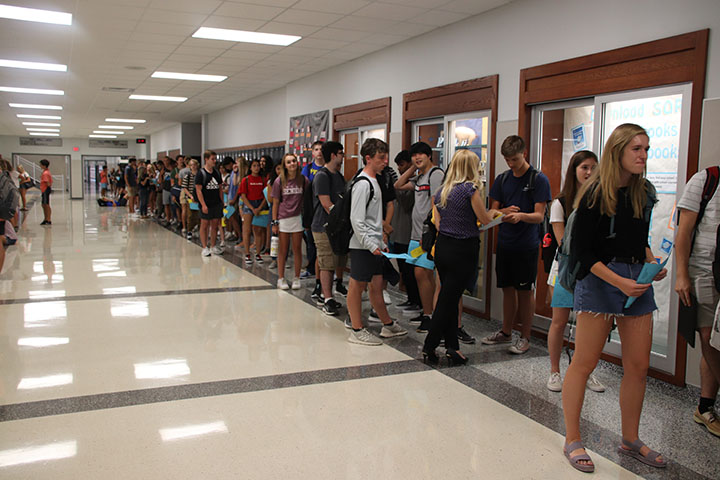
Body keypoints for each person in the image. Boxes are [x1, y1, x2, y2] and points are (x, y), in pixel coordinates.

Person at [562, 123, 668, 473]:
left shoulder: (645, 192)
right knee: (585, 361)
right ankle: (573, 438)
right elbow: (583, 253)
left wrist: (651, 262)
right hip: (599, 281)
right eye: (637, 149)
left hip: (635, 280)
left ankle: (630, 438)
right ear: (618, 151)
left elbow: (639, 240)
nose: (643, 155)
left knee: (637, 366)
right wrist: (620, 282)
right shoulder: (594, 194)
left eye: (647, 149)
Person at [422, 149, 499, 364]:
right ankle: (429, 344)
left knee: (450, 297)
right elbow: (484, 220)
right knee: (448, 301)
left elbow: (438, 223)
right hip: (462, 250)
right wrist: (495, 214)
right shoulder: (470, 190)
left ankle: (452, 348)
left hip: (444, 248)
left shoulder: (441, 192)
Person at [482, 135, 551, 354]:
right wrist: (503, 213)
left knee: (524, 291)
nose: (511, 164)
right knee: (507, 289)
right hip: (505, 243)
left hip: (527, 245)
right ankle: (506, 331)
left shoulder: (538, 180)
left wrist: (521, 216)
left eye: (515, 159)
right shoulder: (502, 179)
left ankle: (526, 336)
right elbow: (492, 212)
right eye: (508, 160)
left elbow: (539, 216)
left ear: (524, 153)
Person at [545, 150, 605, 393]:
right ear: (574, 171)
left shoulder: (601, 200)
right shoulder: (560, 203)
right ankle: (554, 371)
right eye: (584, 168)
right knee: (559, 322)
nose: (589, 173)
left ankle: (585, 370)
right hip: (565, 269)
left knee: (588, 324)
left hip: (593, 270)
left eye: (593, 167)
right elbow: (563, 243)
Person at [347, 138, 407, 345]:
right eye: (381, 157)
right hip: (363, 246)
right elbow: (357, 219)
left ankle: (387, 324)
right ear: (368, 158)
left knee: (377, 285)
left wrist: (380, 239)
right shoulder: (363, 183)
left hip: (373, 244)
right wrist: (371, 245)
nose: (386, 161)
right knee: (357, 285)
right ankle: (356, 329)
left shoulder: (375, 181)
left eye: (386, 156)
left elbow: (373, 218)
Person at [676, 165, 720, 437]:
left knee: (714, 342)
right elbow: (684, 232)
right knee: (708, 337)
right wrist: (682, 275)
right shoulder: (707, 180)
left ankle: (705, 407)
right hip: (703, 270)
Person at [394, 141, 445, 332]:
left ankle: (430, 315)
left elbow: (436, 205)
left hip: (427, 235)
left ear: (429, 155)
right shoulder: (420, 177)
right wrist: (413, 169)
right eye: (414, 156)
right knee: (420, 275)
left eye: (420, 155)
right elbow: (398, 185)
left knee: (422, 273)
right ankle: (427, 312)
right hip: (416, 235)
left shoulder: (435, 174)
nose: (417, 158)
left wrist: (431, 232)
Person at [311, 141, 346, 316]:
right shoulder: (322, 176)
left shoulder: (339, 176)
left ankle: (331, 294)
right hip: (323, 226)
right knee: (326, 263)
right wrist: (342, 217)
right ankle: (327, 298)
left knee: (335, 262)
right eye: (341, 153)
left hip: (337, 227)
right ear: (333, 155)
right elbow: (326, 204)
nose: (343, 156)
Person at [390, 150, 422, 313]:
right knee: (404, 270)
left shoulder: (414, 183)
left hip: (409, 233)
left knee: (411, 271)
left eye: (402, 165)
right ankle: (411, 298)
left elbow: (404, 201)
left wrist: (408, 174)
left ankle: (417, 301)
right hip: (399, 232)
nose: (399, 169)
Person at [271, 153, 308, 290]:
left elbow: (306, 200)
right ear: (284, 165)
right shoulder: (279, 181)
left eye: (293, 161)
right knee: (283, 250)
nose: (292, 164)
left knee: (297, 249)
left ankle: (296, 277)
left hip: (297, 218)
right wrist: (274, 222)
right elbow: (275, 203)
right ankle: (281, 278)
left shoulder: (303, 180)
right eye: (288, 162)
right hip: (283, 218)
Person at [301, 141, 324, 282]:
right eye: (316, 149)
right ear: (313, 152)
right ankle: (310, 268)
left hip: (324, 210)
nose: (319, 152)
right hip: (311, 210)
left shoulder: (328, 168)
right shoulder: (308, 169)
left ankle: (325, 270)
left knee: (324, 244)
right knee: (311, 241)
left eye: (321, 149)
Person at [239, 158, 268, 265]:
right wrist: (251, 208)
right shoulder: (245, 180)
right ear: (250, 168)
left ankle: (258, 253)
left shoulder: (263, 180)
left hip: (260, 205)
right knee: (246, 230)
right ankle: (247, 253)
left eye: (258, 166)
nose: (256, 168)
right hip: (249, 205)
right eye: (254, 166)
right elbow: (243, 195)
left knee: (258, 230)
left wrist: (259, 207)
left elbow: (266, 195)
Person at [195, 150, 224, 257]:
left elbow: (220, 187)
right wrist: (203, 204)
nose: (214, 161)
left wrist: (221, 201)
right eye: (212, 159)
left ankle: (212, 245)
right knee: (204, 225)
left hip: (216, 203)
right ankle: (204, 247)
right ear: (206, 159)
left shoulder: (216, 173)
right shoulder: (201, 173)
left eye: (215, 159)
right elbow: (198, 190)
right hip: (206, 203)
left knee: (215, 225)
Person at [39, 159, 52, 226]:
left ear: (44, 165)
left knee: (46, 205)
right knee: (44, 205)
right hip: (44, 189)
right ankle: (46, 218)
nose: (40, 166)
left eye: (41, 164)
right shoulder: (46, 172)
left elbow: (48, 183)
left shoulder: (45, 173)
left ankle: (48, 219)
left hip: (45, 189)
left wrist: (47, 188)